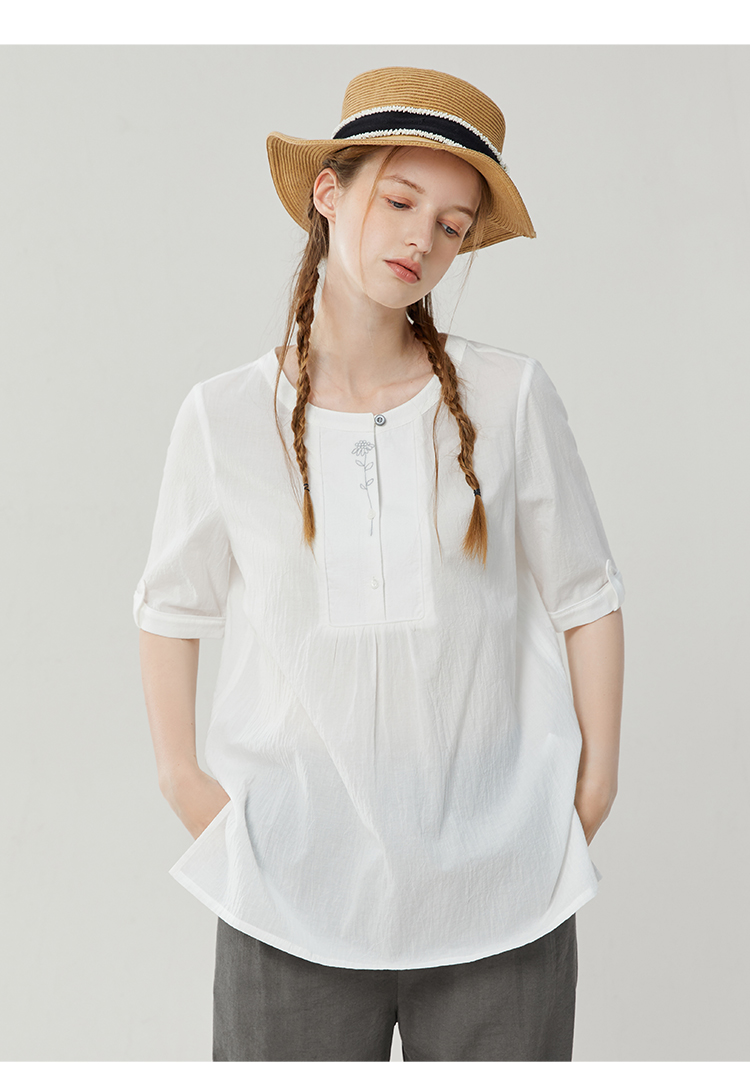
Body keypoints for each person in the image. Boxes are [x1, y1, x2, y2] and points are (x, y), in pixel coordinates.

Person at [134, 66, 625, 1062]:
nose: (421, 239)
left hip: (501, 888)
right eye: (400, 201)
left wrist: (592, 791)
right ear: (329, 191)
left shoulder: (509, 398)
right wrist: (187, 785)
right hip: (289, 890)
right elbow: (172, 606)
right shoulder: (226, 418)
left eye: (451, 225)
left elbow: (588, 592)